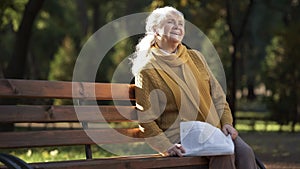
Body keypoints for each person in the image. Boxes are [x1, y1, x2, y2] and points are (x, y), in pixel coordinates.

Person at [131, 6, 257, 169]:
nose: (177, 26)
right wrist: (165, 146)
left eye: (180, 23)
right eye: (170, 22)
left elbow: (218, 96)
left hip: (213, 129)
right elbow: (146, 118)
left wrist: (226, 122)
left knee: (245, 152)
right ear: (155, 30)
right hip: (180, 134)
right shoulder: (147, 69)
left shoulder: (196, 57)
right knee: (222, 152)